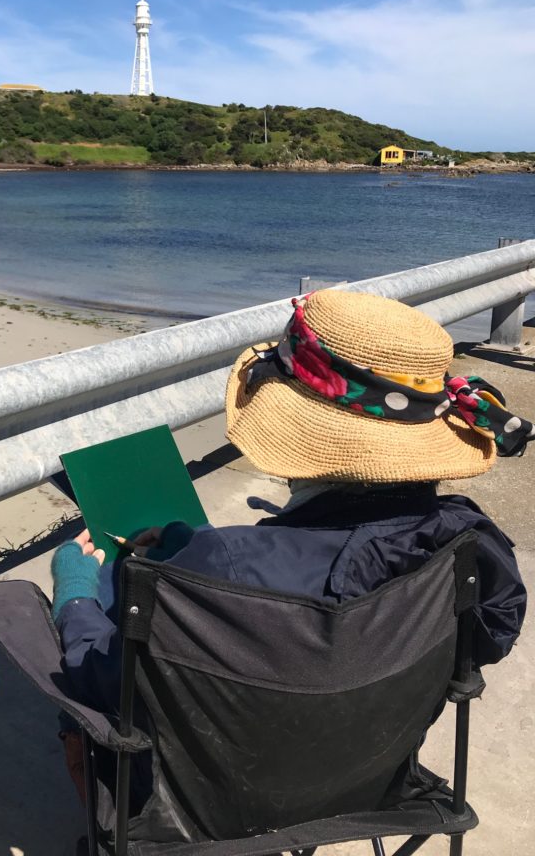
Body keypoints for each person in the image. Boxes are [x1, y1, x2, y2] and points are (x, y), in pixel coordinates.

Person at [51, 290, 530, 801]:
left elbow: (100, 678)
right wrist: (194, 547)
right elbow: (484, 634)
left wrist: (75, 595)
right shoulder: (467, 543)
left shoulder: (227, 568)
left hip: (213, 800)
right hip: (372, 778)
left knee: (100, 599)